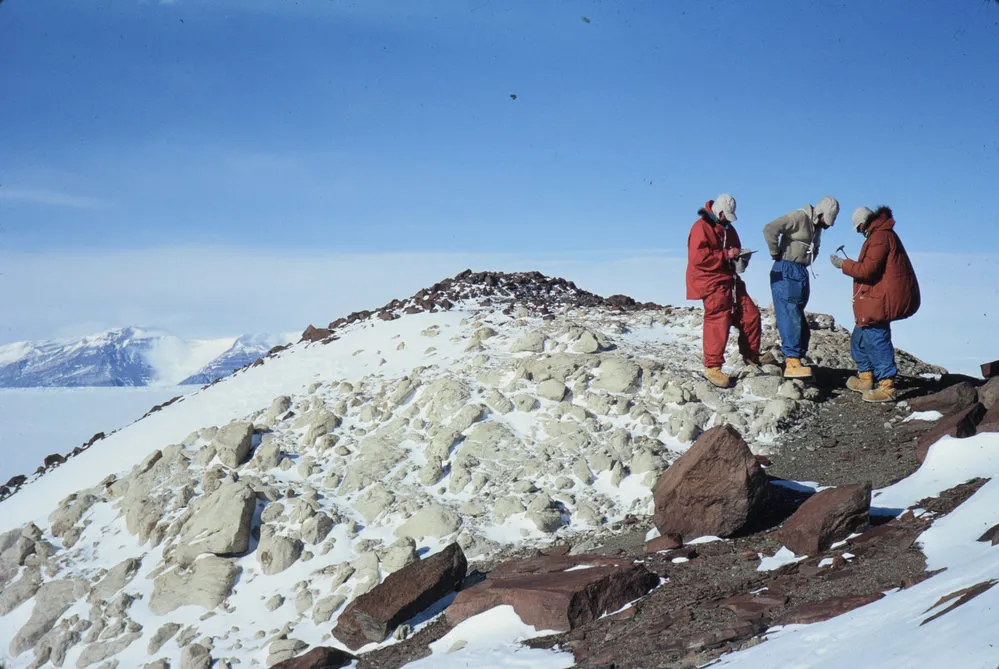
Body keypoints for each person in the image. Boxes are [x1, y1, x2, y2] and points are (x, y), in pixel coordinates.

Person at [830, 206, 920, 402]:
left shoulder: (879, 237)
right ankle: (866, 378)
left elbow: (868, 270)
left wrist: (843, 265)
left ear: (863, 223)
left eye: (859, 228)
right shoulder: (882, 235)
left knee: (876, 338)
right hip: (876, 298)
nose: (860, 232)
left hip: (879, 299)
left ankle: (887, 385)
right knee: (860, 338)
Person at [686, 193, 762, 388]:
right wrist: (726, 255)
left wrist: (739, 258)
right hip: (711, 280)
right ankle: (713, 367)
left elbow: (733, 249)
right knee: (718, 320)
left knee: (750, 314)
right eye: (725, 216)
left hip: (730, 278)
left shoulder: (729, 228)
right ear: (719, 212)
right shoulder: (700, 227)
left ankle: (751, 357)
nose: (727, 220)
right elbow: (698, 258)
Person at [763, 196, 840, 378]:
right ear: (820, 213)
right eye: (825, 220)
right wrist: (775, 251)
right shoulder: (798, 216)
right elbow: (770, 229)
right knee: (790, 314)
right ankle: (792, 361)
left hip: (801, 271)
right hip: (786, 268)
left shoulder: (817, 227)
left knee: (798, 315)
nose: (826, 225)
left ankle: (797, 357)